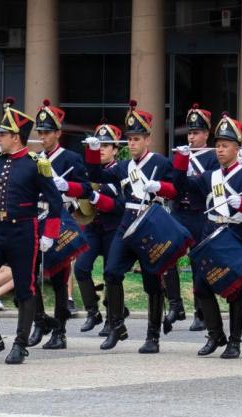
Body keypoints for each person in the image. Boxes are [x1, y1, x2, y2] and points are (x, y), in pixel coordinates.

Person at [0, 97, 63, 364]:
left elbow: (55, 203)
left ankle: (20, 343)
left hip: (24, 232)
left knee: (24, 289)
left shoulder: (35, 163)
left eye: (3, 134)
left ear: (16, 137)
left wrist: (50, 234)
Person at [84, 100, 179, 353]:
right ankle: (116, 326)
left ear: (147, 139)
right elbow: (96, 177)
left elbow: (175, 190)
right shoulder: (123, 166)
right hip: (126, 224)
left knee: (152, 280)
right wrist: (93, 153)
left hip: (149, 225)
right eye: (130, 139)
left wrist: (160, 187)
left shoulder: (160, 162)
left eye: (138, 138)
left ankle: (152, 336)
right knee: (112, 272)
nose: (133, 143)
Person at [171, 113, 242, 358]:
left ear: (237, 149)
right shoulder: (209, 177)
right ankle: (215, 334)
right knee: (201, 286)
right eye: (219, 146)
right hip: (211, 231)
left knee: (236, 290)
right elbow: (181, 186)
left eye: (225, 146)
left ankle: (235, 341)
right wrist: (181, 160)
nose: (221, 150)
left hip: (235, 233)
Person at [28, 99, 92, 350]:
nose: (42, 137)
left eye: (47, 132)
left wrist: (67, 186)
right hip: (37, 218)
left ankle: (61, 332)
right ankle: (39, 321)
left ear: (58, 133)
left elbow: (85, 188)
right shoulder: (34, 159)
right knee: (31, 274)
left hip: (60, 217)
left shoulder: (70, 158)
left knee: (59, 278)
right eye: (40, 132)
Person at [163, 103, 219, 333]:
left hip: (199, 214)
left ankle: (200, 311)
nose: (192, 137)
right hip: (179, 211)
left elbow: (210, 184)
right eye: (190, 132)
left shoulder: (213, 157)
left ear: (206, 134)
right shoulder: (180, 155)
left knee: (198, 262)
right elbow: (173, 184)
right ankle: (176, 304)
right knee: (167, 256)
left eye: (196, 132)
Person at [74, 124, 126, 336]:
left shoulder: (120, 170)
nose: (102, 149)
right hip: (93, 227)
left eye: (106, 145)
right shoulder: (89, 170)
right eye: (98, 145)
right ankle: (92, 311)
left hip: (114, 227)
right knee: (81, 268)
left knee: (111, 274)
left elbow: (119, 205)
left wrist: (98, 197)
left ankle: (113, 318)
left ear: (115, 149)